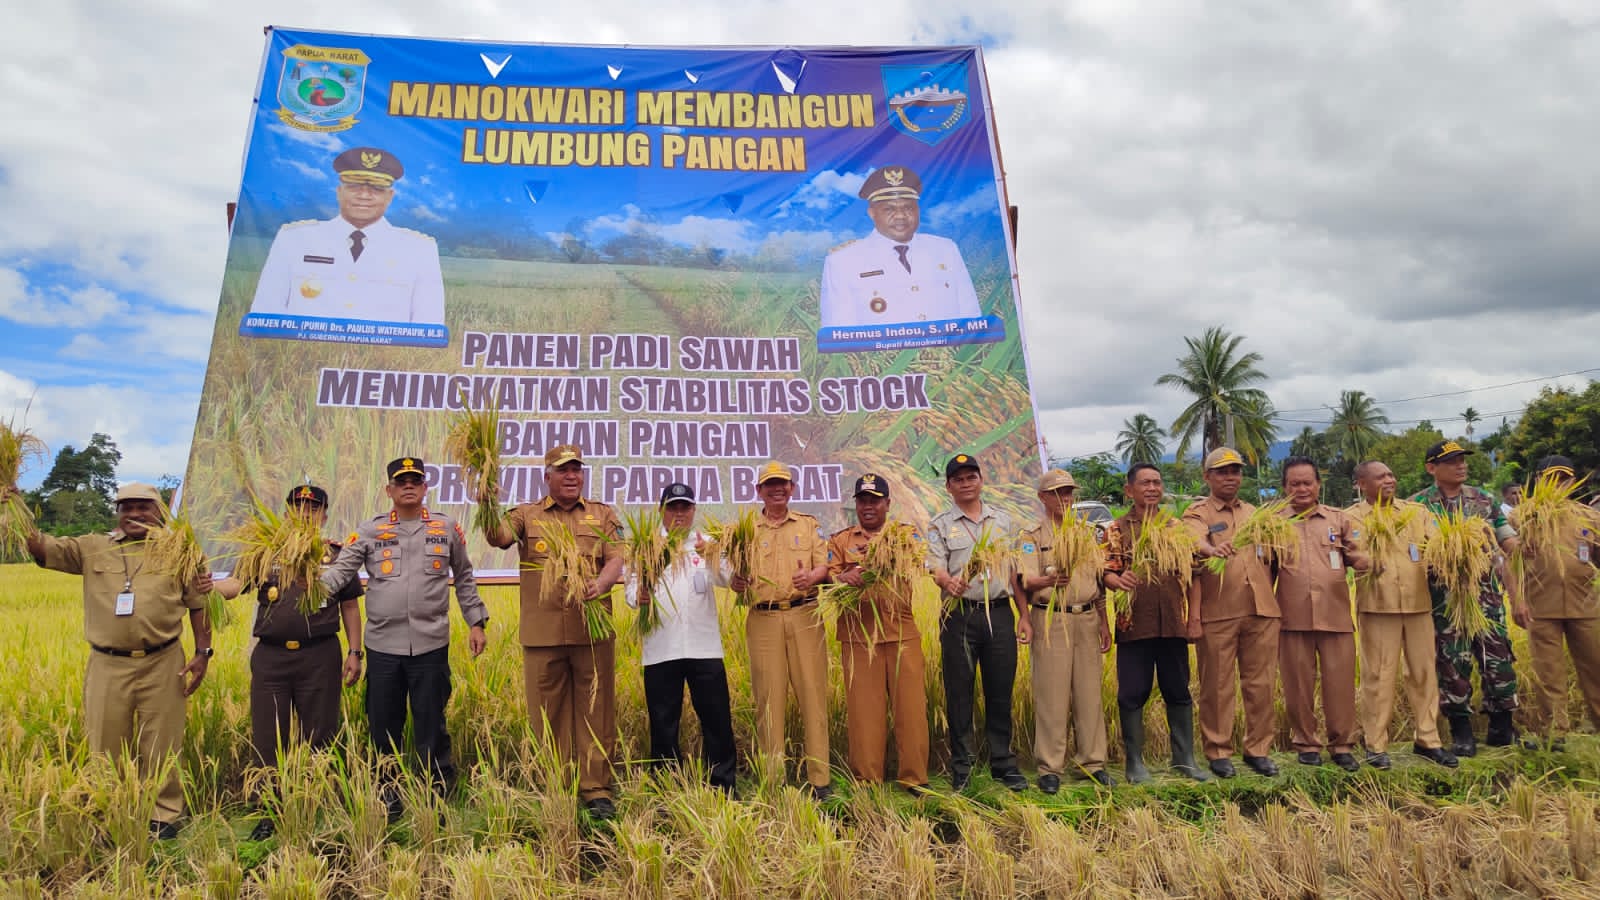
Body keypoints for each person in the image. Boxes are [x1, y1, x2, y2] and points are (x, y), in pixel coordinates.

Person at [9, 482, 214, 839]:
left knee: (163, 742)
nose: (134, 514)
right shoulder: (91, 547)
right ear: (117, 512)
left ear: (159, 511)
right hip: (107, 663)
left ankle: (164, 817)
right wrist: (14, 505)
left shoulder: (180, 550)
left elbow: (200, 605)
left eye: (142, 507)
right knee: (105, 743)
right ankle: (110, 813)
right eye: (125, 507)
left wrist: (202, 653)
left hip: (163, 660)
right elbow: (40, 546)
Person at [320, 457, 487, 820]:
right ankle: (388, 794)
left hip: (430, 644)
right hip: (383, 647)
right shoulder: (369, 531)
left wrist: (476, 621)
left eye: (415, 480)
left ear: (425, 487)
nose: (409, 486)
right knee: (384, 724)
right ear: (389, 490)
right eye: (401, 481)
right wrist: (307, 583)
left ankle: (437, 794)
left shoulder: (445, 528)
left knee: (431, 721)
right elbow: (338, 574)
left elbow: (465, 575)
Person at [486, 444, 625, 819]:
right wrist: (486, 501)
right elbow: (497, 537)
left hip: (591, 632)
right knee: (546, 714)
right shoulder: (526, 515)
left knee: (596, 710)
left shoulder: (602, 514)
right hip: (543, 634)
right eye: (563, 470)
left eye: (577, 470)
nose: (571, 476)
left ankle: (596, 789)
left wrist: (602, 584)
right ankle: (555, 784)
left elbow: (616, 558)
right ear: (547, 476)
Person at [225, 484, 366, 840]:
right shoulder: (264, 549)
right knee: (269, 735)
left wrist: (355, 651)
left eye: (313, 507)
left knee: (320, 732)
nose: (306, 512)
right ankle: (270, 809)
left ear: (324, 515)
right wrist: (204, 588)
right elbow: (235, 583)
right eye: (298, 506)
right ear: (287, 511)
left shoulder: (335, 554)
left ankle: (314, 802)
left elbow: (350, 605)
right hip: (272, 657)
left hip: (320, 654)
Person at [248, 146, 445, 326]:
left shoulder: (419, 249)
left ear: (390, 196)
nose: (364, 196)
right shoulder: (294, 239)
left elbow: (428, 326)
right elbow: (266, 312)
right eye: (354, 186)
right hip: (300, 357)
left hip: (384, 361)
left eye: (376, 188)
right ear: (339, 192)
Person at [623, 482, 737, 793]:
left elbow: (731, 580)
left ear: (693, 511)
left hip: (704, 649)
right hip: (662, 649)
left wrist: (716, 556)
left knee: (716, 720)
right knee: (663, 723)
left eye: (685, 507)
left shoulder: (706, 544)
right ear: (661, 510)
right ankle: (666, 788)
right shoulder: (644, 546)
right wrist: (640, 595)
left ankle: (723, 787)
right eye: (672, 507)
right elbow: (630, 593)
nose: (679, 513)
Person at [1410, 439, 1521, 755]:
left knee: (1498, 659)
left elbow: (1506, 539)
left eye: (1462, 459)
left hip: (1485, 596)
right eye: (1452, 461)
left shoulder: (1483, 500)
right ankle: (1462, 733)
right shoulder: (1418, 506)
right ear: (1432, 468)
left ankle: (1501, 727)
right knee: (1452, 665)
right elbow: (1413, 553)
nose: (1461, 465)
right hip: (1444, 601)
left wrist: (1521, 549)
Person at [730, 461, 833, 799]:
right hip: (763, 620)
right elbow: (734, 578)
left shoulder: (808, 524)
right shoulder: (745, 530)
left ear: (792, 489)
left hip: (805, 616)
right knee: (768, 701)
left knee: (813, 697)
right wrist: (737, 582)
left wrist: (814, 577)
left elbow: (824, 565)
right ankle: (773, 781)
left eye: (783, 484)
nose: (777, 489)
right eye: (769, 484)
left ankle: (819, 780)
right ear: (759, 491)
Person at [927, 453, 1029, 792]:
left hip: (999, 613)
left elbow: (1015, 571)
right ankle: (963, 767)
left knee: (1000, 689)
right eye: (959, 479)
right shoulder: (940, 524)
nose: (966, 483)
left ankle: (1003, 763)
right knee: (960, 693)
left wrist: (1024, 615)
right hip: (959, 614)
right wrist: (946, 582)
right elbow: (935, 566)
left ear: (981, 480)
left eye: (972, 477)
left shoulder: (1003, 521)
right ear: (949, 486)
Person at [1103, 463, 1208, 783]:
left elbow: (1193, 577)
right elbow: (1105, 571)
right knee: (1133, 692)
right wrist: (1117, 580)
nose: (1152, 488)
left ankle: (1184, 758)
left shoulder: (1176, 528)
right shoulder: (1116, 529)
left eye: (1157, 482)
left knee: (1178, 689)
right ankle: (1134, 762)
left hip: (1174, 622)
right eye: (1145, 483)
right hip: (1133, 623)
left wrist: (1194, 618)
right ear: (1129, 490)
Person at [1348, 461, 1456, 768]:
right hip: (1377, 606)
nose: (1389, 480)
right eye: (1380, 476)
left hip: (1418, 604)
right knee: (1378, 676)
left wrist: (1452, 553)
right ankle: (1375, 744)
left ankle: (1428, 739)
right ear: (1362, 484)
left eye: (1391, 474)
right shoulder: (1351, 518)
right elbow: (1347, 553)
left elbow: (1435, 545)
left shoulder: (1417, 513)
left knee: (1423, 673)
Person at [1182, 447, 1282, 779]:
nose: (1230, 477)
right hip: (1219, 611)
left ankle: (1258, 750)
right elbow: (1194, 541)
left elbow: (1273, 554)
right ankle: (1219, 751)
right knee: (1218, 686)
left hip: (1261, 610)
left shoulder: (1255, 512)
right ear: (1207, 476)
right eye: (1222, 472)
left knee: (1261, 684)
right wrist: (1212, 548)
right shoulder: (1198, 514)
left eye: (1235, 471)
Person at [826, 474, 930, 792]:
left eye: (875, 500)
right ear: (856, 504)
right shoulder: (840, 541)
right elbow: (828, 578)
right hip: (858, 636)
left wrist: (887, 557)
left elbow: (919, 560)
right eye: (862, 500)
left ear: (887, 503)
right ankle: (867, 780)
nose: (868, 506)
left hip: (901, 634)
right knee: (864, 714)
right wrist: (845, 577)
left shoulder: (904, 535)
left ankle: (913, 778)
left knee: (911, 711)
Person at [1015, 469, 1114, 791]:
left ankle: (1092, 763)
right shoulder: (1031, 537)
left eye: (1068, 492)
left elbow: (1099, 583)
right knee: (1052, 695)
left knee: (1089, 694)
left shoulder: (1087, 535)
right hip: (1051, 617)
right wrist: (1045, 582)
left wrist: (1103, 623)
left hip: (1085, 618)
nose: (1065, 499)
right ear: (1043, 498)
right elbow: (1025, 580)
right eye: (1057, 493)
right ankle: (1050, 768)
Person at [1273, 457, 1369, 771]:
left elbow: (1358, 555)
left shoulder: (1339, 520)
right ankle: (1306, 744)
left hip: (1336, 615)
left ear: (1318, 485)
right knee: (1297, 685)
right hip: (1291, 618)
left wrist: (1369, 558)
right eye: (1294, 483)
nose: (1301, 489)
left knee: (1339, 685)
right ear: (1285, 487)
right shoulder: (1273, 522)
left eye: (1307, 483)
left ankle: (1342, 745)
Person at [819, 165, 982, 329]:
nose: (900, 216)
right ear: (872, 213)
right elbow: (839, 333)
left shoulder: (945, 250)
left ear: (918, 210)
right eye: (889, 209)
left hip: (951, 353)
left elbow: (971, 317)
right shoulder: (843, 262)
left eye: (908, 208)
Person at [1515, 456, 1600, 748]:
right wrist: (1517, 601)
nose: (1559, 484)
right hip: (1542, 606)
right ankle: (1556, 734)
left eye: (1564, 479)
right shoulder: (1523, 517)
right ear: (1538, 480)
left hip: (1587, 604)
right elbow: (1510, 564)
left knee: (1596, 667)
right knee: (1549, 673)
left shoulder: (1589, 516)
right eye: (1552, 478)